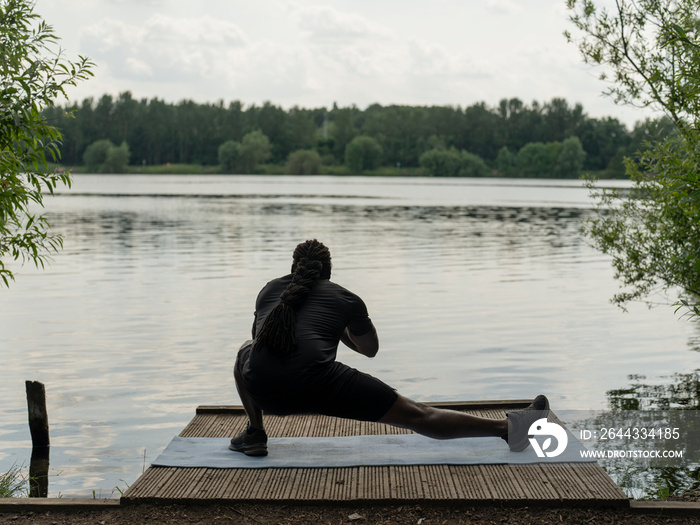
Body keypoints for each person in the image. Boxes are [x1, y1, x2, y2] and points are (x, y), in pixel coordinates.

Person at [231, 239, 549, 457]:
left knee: (245, 351)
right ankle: (509, 430)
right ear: (327, 272)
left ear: (294, 267)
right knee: (419, 415)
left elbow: (262, 343)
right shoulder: (345, 298)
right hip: (321, 384)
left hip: (264, 391)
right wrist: (340, 330)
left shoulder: (269, 290)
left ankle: (255, 431)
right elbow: (369, 350)